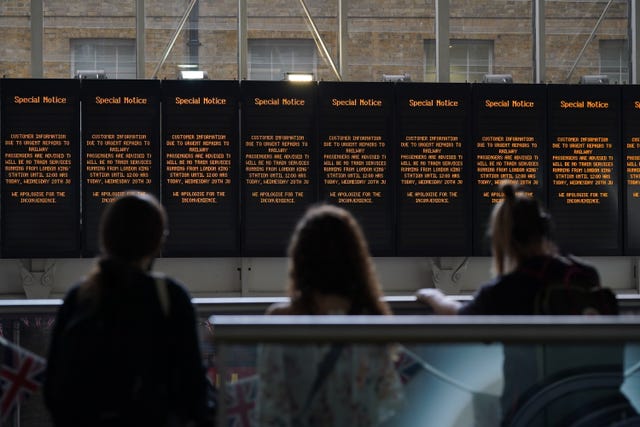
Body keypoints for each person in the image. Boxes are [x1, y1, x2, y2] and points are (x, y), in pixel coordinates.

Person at [415, 181, 635, 425]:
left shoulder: (506, 289)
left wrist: (433, 296)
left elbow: (460, 317)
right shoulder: (583, 274)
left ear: (504, 239)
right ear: (544, 230)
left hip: (534, 410)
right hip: (597, 410)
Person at [44, 192, 210, 427]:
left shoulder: (79, 297)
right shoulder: (170, 297)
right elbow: (192, 386)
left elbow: (53, 389)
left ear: (106, 238)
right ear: (156, 241)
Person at [256, 204, 403, 426]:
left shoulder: (282, 320)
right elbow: (389, 403)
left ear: (300, 259)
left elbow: (271, 406)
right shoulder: (372, 322)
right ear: (356, 260)